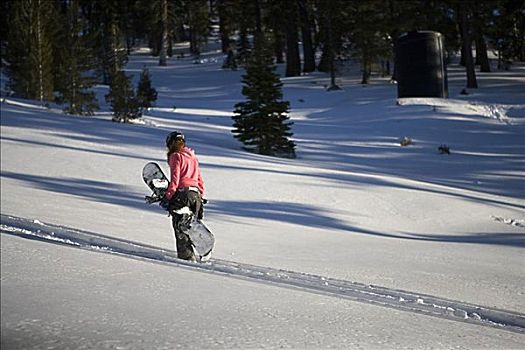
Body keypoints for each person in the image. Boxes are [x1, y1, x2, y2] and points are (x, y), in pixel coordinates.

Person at [160, 131, 205, 261]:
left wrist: (168, 196)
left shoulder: (176, 156)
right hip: (195, 195)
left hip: (182, 195)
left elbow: (175, 179)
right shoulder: (192, 157)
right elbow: (200, 180)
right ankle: (197, 251)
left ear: (171, 143)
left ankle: (187, 258)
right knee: (191, 226)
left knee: (180, 227)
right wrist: (200, 196)